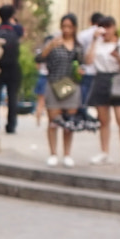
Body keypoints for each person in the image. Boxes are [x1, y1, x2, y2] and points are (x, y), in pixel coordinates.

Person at [82, 14, 120, 167]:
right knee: (103, 120)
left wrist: (119, 58)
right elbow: (88, 61)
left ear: (114, 27)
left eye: (108, 27)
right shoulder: (98, 43)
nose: (106, 31)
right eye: (103, 28)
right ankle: (104, 152)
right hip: (101, 78)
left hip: (119, 79)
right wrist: (94, 40)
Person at [38, 13, 84, 166]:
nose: (66, 30)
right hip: (54, 83)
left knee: (69, 123)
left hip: (71, 85)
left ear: (74, 28)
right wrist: (50, 46)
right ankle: (53, 153)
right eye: (64, 26)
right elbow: (39, 59)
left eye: (69, 27)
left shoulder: (78, 46)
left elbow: (83, 63)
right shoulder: (54, 42)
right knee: (53, 121)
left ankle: (67, 153)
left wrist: (80, 72)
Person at [0, 4, 24, 134]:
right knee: (13, 97)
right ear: (12, 15)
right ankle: (11, 125)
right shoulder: (17, 29)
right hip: (13, 66)